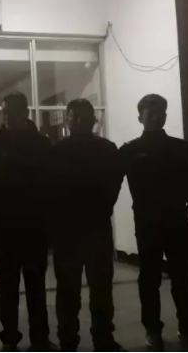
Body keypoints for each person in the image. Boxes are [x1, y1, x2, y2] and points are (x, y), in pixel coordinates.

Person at [119, 94, 188, 350]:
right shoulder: (130, 151)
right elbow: (108, 180)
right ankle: (153, 330)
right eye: (151, 114)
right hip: (147, 224)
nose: (157, 118)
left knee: (182, 278)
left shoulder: (180, 148)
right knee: (149, 280)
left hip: (177, 221)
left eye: (161, 113)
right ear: (140, 118)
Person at [50, 99, 124, 352]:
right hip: (68, 231)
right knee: (67, 290)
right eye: (74, 116)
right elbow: (48, 189)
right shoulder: (56, 151)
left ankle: (103, 338)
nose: (79, 121)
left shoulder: (107, 149)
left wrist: (101, 207)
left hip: (95, 228)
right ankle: (68, 340)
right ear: (67, 120)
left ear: (93, 119)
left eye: (84, 116)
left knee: (101, 288)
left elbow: (114, 183)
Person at [0, 92, 55, 352]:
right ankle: (10, 339)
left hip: (35, 228)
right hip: (6, 229)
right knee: (8, 288)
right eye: (3, 111)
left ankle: (40, 339)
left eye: (11, 111)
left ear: (25, 112)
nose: (6, 116)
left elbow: (50, 186)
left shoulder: (42, 144)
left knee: (36, 287)